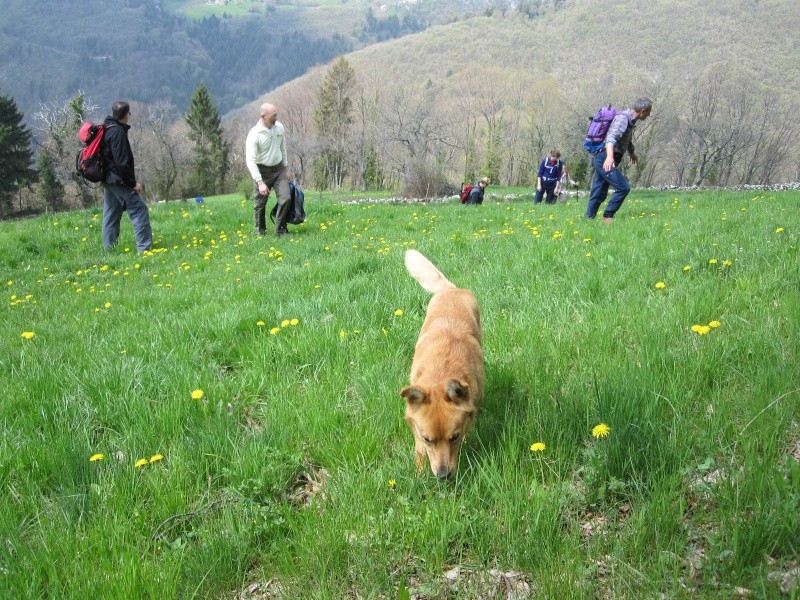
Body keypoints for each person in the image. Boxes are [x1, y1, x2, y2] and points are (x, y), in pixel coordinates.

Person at [586, 97, 652, 222]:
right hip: (605, 157)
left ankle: (588, 219)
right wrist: (609, 158)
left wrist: (631, 153)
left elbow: (626, 139)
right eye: (649, 112)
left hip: (606, 157)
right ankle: (608, 216)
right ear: (643, 111)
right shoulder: (623, 119)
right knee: (623, 187)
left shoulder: (629, 120)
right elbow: (611, 138)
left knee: (599, 191)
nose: (649, 115)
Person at [101, 101, 152, 253]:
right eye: (129, 113)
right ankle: (144, 250)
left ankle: (109, 250)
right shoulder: (117, 133)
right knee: (139, 210)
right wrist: (132, 184)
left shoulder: (107, 128)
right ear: (125, 115)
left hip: (108, 180)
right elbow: (122, 164)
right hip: (119, 180)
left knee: (111, 214)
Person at [245, 102, 293, 236]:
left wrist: (286, 168)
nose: (276, 118)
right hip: (262, 171)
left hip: (278, 169)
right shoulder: (255, 134)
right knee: (260, 205)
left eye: (276, 115)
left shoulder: (279, 128)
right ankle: (260, 232)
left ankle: (280, 230)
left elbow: (283, 149)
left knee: (286, 198)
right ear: (263, 116)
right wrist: (260, 182)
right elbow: (250, 160)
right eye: (273, 116)